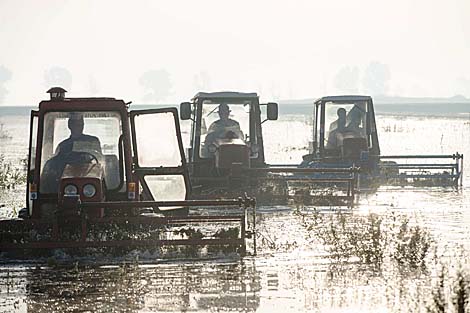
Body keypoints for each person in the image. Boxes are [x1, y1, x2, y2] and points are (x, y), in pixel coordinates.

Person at [41, 113, 102, 193]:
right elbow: (55, 165)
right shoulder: (63, 146)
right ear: (70, 125)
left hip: (91, 179)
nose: (79, 127)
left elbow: (100, 160)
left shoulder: (93, 141)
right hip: (68, 183)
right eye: (76, 124)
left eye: (81, 124)